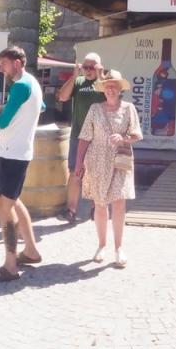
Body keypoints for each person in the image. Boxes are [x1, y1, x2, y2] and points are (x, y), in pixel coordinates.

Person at [0, 46, 44, 284]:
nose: (0, 69)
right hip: (19, 152)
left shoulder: (20, 86)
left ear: (17, 63)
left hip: (13, 153)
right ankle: (31, 251)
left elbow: (4, 122)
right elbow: (40, 107)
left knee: (2, 206)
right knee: (12, 201)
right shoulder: (32, 83)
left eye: (3, 64)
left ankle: (10, 266)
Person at [75, 70, 143, 267]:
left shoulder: (129, 108)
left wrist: (124, 138)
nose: (111, 89)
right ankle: (102, 245)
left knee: (119, 204)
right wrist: (79, 163)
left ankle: (119, 248)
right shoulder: (95, 109)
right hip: (96, 161)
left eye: (114, 86)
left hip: (120, 160)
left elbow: (137, 134)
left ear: (120, 89)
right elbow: (84, 137)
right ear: (103, 89)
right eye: (107, 86)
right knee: (100, 203)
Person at [57, 51, 105, 224]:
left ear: (98, 66)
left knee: (95, 174)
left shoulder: (103, 82)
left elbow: (112, 98)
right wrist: (74, 76)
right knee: (75, 172)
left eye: (91, 67)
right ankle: (71, 210)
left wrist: (100, 76)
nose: (88, 70)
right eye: (85, 67)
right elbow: (62, 97)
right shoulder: (78, 82)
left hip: (98, 136)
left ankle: (95, 208)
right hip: (78, 134)